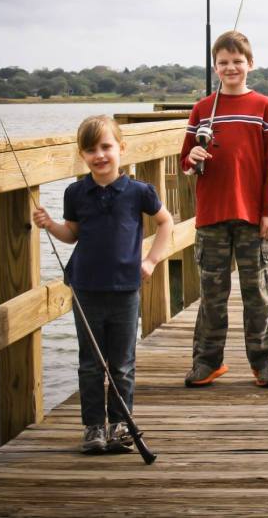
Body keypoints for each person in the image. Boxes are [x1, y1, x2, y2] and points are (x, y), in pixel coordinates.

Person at [33, 115, 173, 454]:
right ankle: (93, 427)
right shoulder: (76, 192)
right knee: (91, 362)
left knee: (122, 362)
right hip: (86, 288)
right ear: (82, 155)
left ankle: (120, 424)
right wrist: (50, 224)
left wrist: (151, 260)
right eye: (91, 149)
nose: (100, 155)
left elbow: (165, 222)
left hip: (126, 288)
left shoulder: (139, 191)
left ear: (121, 148)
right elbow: (73, 234)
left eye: (106, 147)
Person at [180, 30, 268, 388]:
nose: (231, 68)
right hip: (212, 215)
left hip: (253, 216)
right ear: (215, 67)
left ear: (250, 64)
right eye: (223, 63)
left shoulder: (264, 107)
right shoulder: (202, 109)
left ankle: (264, 360)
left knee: (258, 291)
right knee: (212, 294)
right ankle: (207, 361)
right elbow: (185, 161)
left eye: (238, 61)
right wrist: (192, 157)